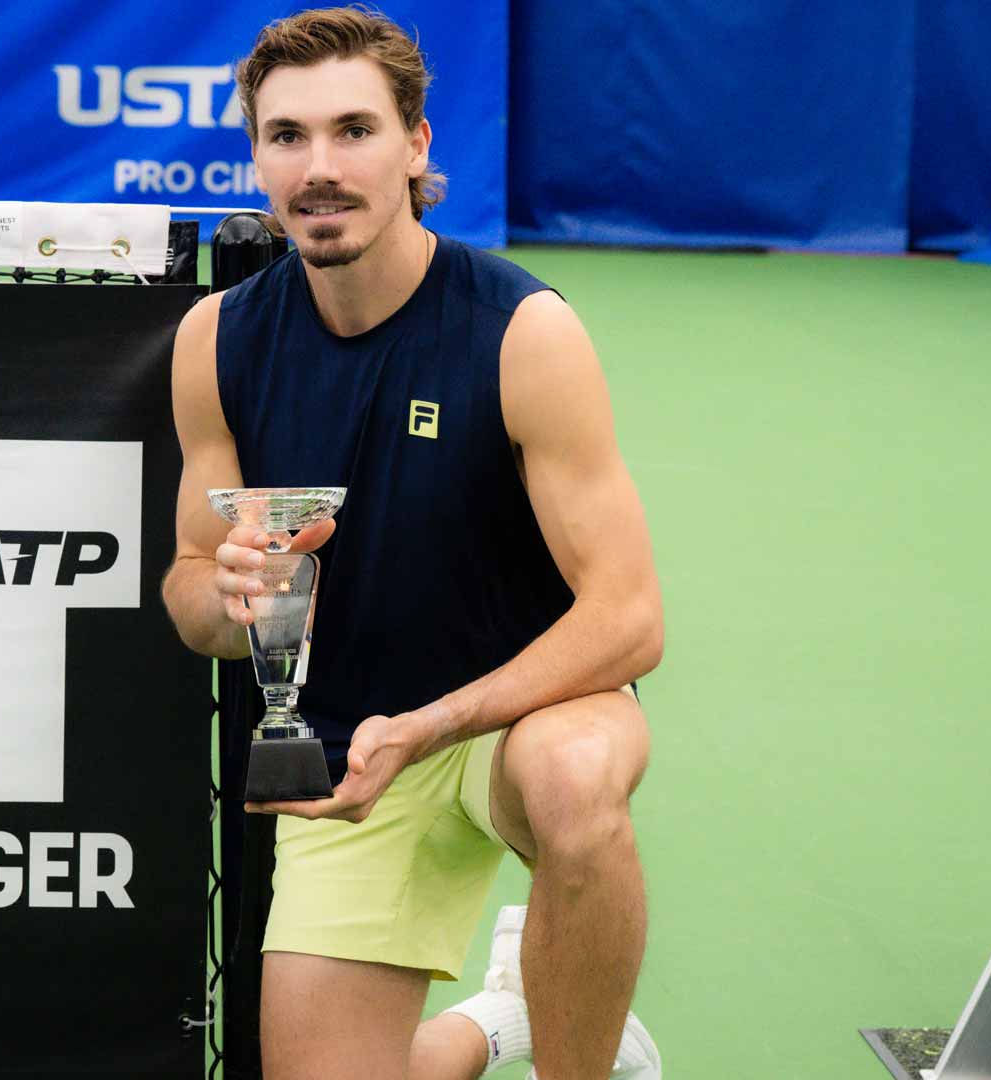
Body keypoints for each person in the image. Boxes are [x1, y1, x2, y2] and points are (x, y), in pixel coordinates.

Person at [160, 7, 664, 1080]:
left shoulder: (521, 331)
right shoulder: (217, 340)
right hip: (349, 760)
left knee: (577, 786)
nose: (320, 167)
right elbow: (191, 595)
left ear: (418, 146)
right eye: (287, 136)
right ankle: (500, 1023)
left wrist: (432, 725)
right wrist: (233, 591)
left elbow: (628, 618)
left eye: (355, 130)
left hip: (519, 717)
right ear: (255, 157)